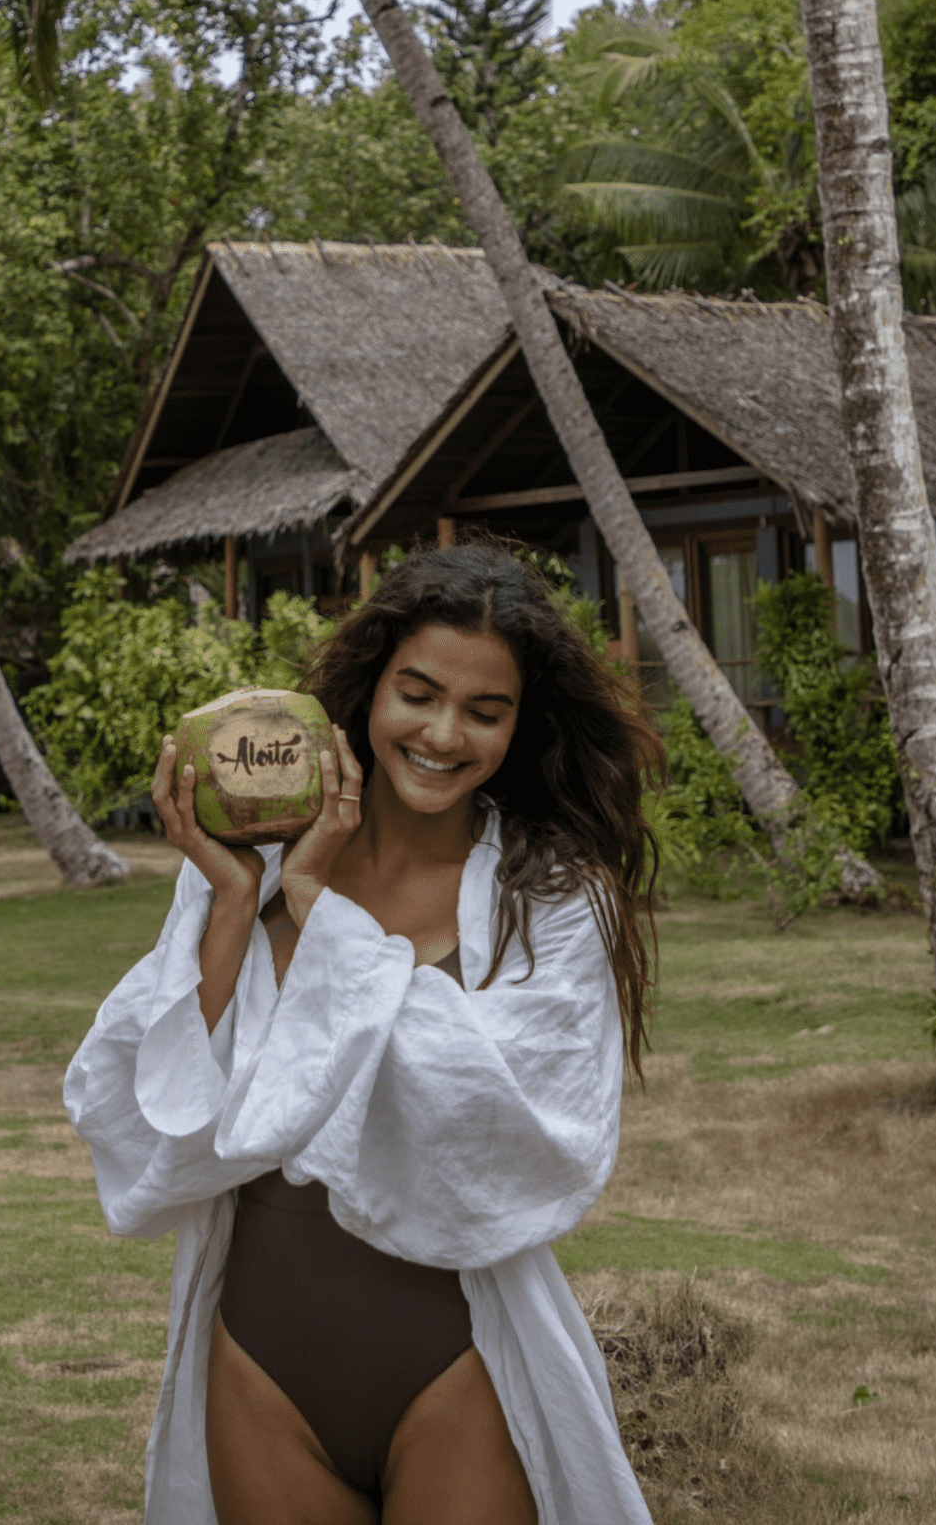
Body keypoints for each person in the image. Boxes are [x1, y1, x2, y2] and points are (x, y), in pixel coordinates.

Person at [64, 542, 662, 1524]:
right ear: (369, 691)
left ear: (521, 722)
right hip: (260, 1354)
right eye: (416, 693)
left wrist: (317, 908)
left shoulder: (549, 901)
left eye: (484, 709)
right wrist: (231, 901)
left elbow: (525, 1140)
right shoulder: (244, 873)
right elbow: (150, 1115)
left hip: (454, 1355)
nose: (442, 732)